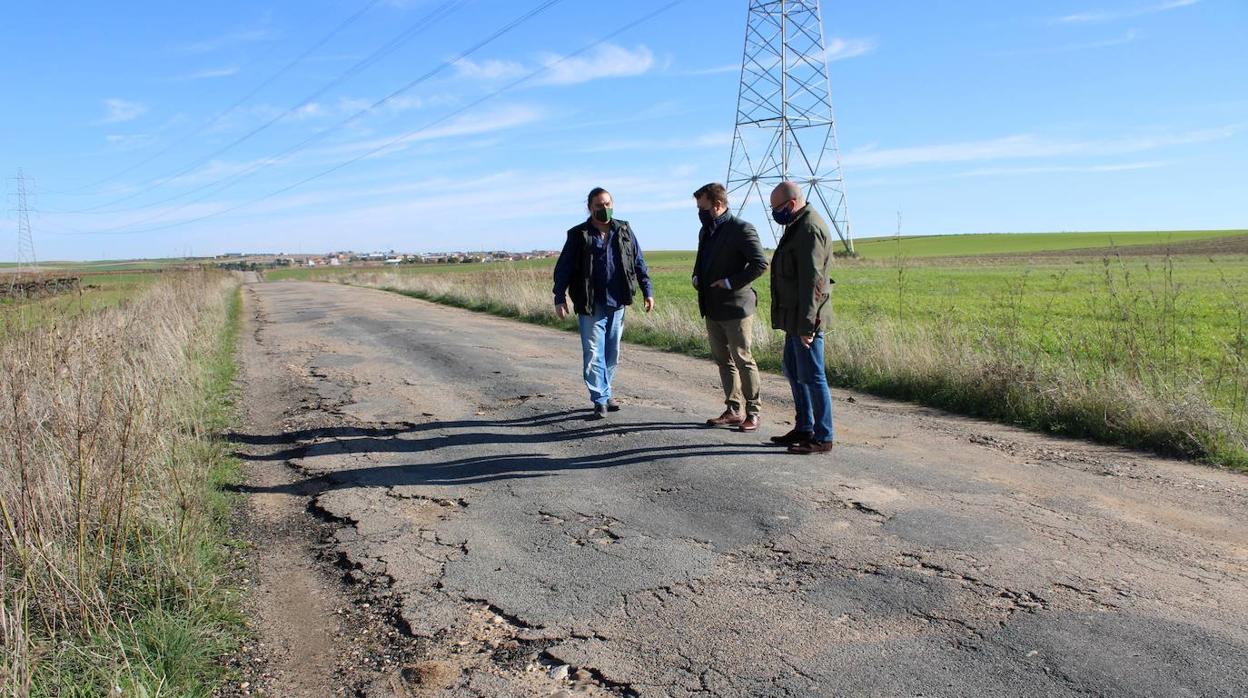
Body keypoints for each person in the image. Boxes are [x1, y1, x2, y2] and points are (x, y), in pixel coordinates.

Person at [552, 187, 655, 419]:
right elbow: (564, 268)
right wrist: (559, 296)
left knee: (611, 352)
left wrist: (647, 290)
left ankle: (606, 392)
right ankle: (599, 398)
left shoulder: (624, 230)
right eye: (599, 205)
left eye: (608, 204)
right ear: (590, 208)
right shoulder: (579, 234)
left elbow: (638, 262)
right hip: (590, 303)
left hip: (617, 301)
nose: (604, 209)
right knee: (592, 352)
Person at [691, 182, 769, 432]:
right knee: (723, 361)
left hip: (737, 308)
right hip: (712, 307)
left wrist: (729, 282)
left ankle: (753, 412)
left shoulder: (741, 229)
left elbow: (759, 264)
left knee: (743, 359)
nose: (700, 213)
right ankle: (733, 409)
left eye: (703, 208)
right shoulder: (706, 231)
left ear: (718, 205)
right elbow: (701, 260)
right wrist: (696, 276)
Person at [767, 181, 835, 454]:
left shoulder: (808, 228)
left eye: (777, 208)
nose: (775, 214)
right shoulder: (796, 225)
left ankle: (823, 436)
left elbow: (813, 282)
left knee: (813, 376)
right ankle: (804, 426)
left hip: (806, 320)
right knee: (794, 372)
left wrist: (808, 325)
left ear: (792, 203)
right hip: (794, 318)